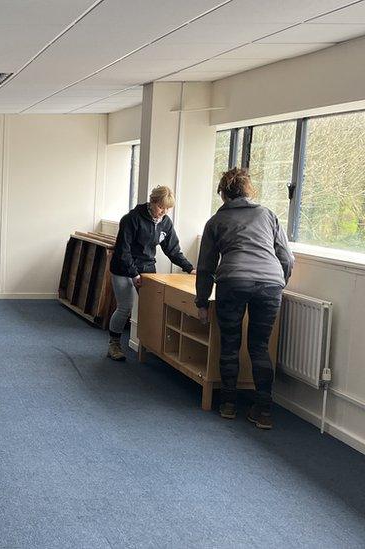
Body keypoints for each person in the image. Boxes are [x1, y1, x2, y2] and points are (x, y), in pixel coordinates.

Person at [196, 168, 294, 430]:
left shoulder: (216, 221)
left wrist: (202, 302)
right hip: (270, 284)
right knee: (259, 346)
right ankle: (263, 411)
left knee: (230, 343)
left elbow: (205, 265)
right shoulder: (268, 215)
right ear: (249, 191)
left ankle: (228, 405)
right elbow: (287, 258)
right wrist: (278, 283)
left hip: (233, 281)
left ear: (223, 193)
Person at [108, 185, 195, 361]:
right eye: (161, 207)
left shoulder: (165, 223)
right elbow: (123, 251)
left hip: (147, 268)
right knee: (125, 306)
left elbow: (173, 250)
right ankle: (114, 344)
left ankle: (150, 346)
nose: (164, 211)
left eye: (168, 208)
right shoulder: (131, 219)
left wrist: (190, 268)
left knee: (153, 308)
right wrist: (134, 274)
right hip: (123, 268)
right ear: (152, 201)